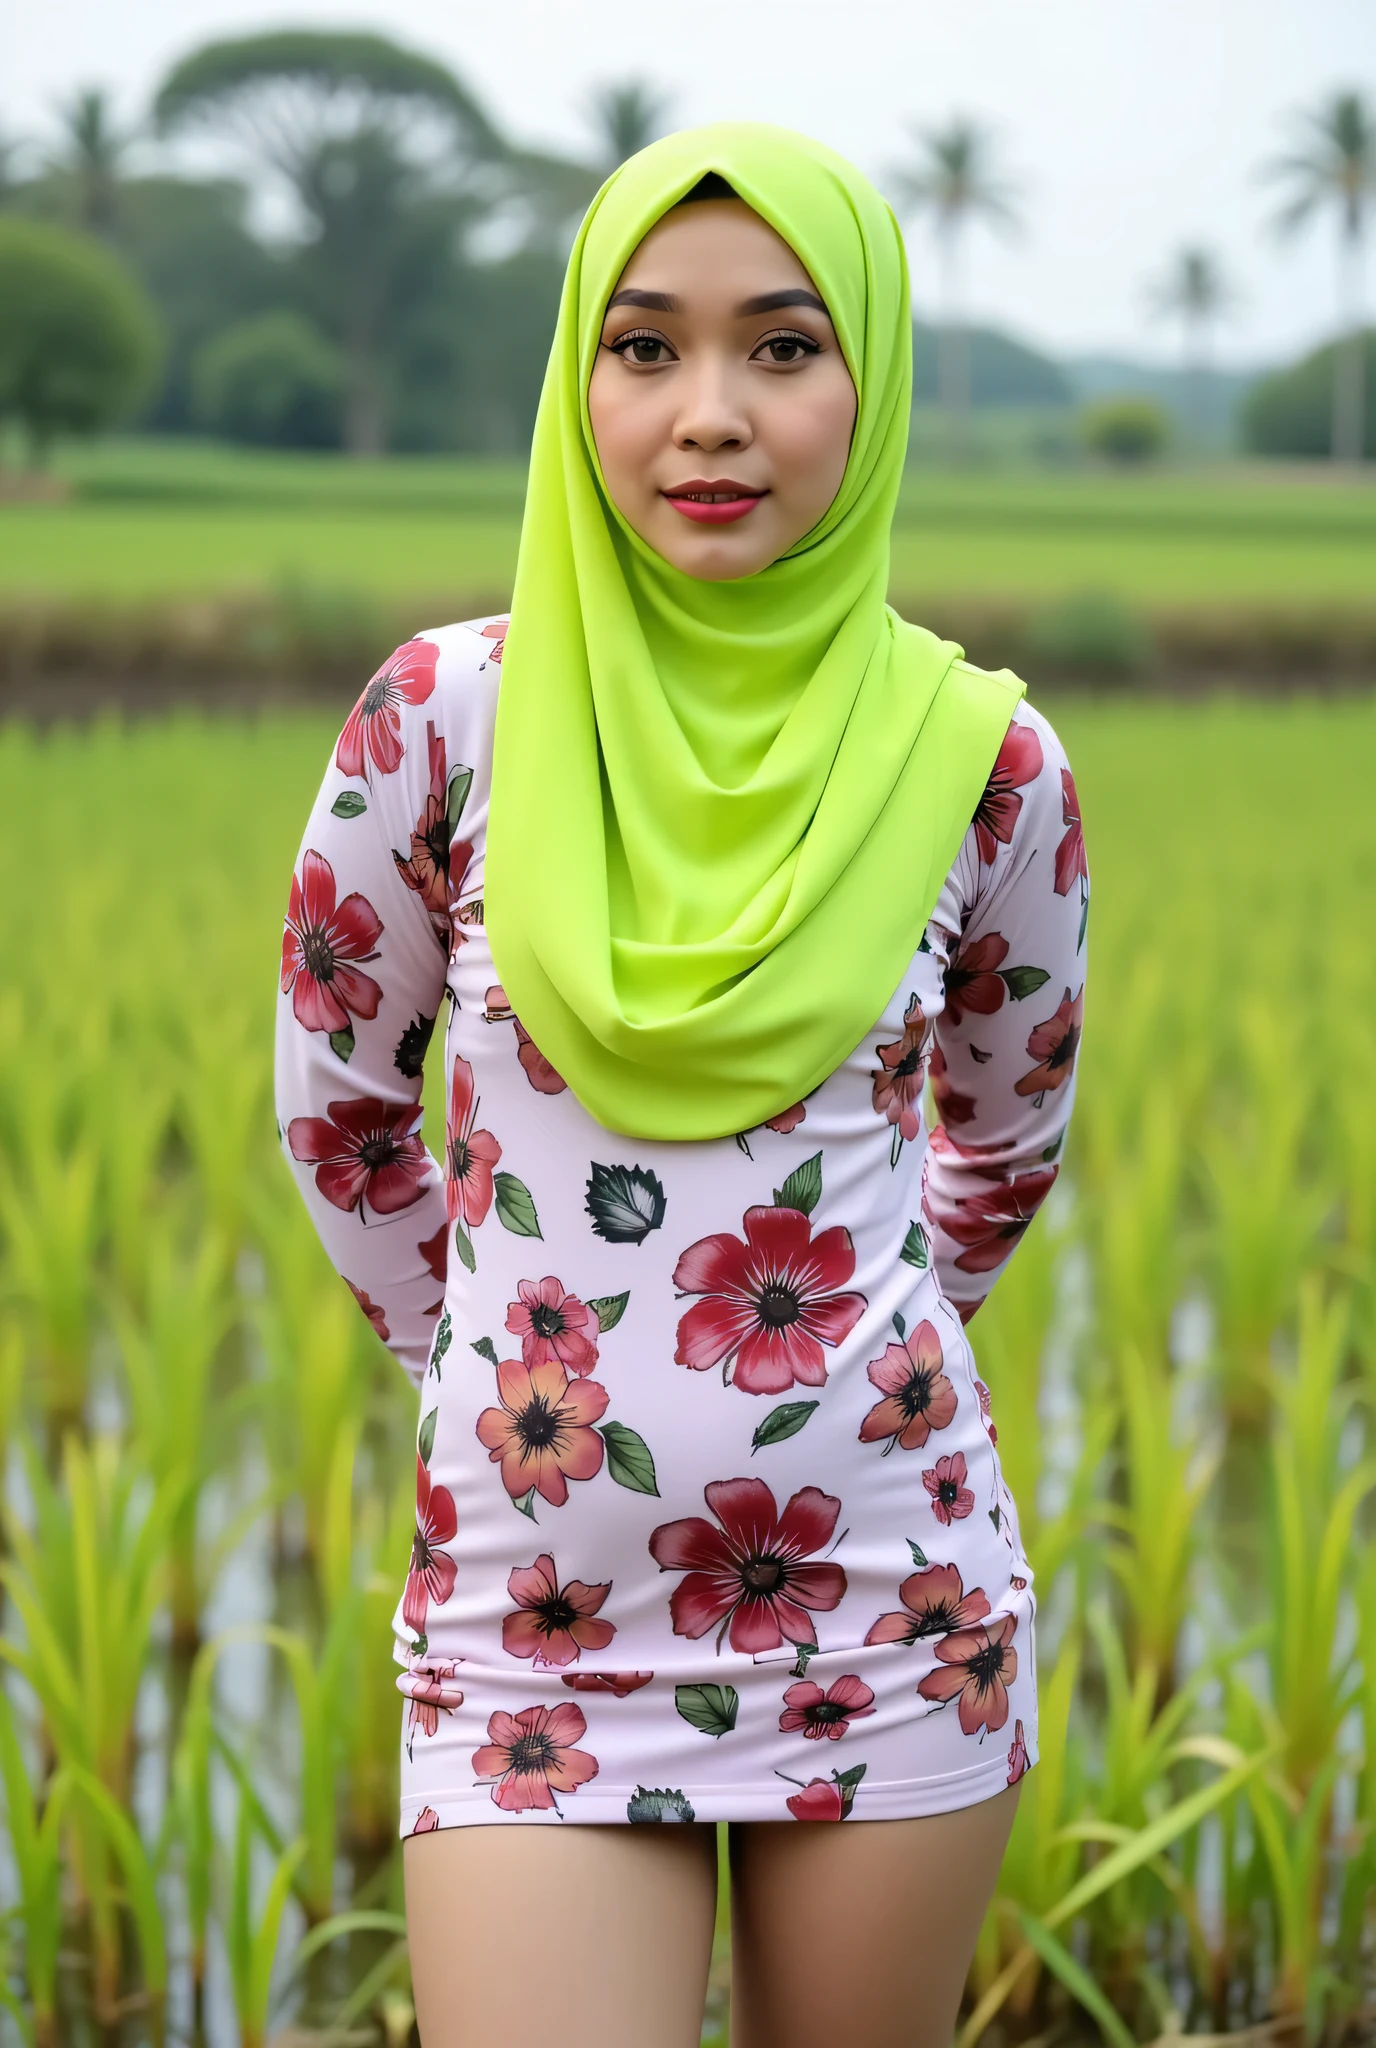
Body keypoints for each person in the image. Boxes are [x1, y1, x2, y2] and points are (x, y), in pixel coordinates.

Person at [275, 123, 1088, 2048]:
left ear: (867, 381)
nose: (707, 414)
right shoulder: (442, 718)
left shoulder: (988, 763)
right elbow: (343, 1116)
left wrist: (848, 1367)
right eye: (644, 347)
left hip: (889, 1605)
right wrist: (500, 1366)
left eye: (782, 348)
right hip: (528, 1615)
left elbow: (1010, 1125)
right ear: (578, 380)